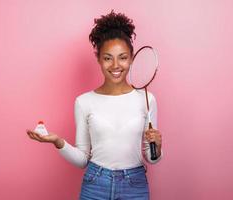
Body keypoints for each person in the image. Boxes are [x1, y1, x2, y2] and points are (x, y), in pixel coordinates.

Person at [26, 10, 163, 200]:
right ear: (98, 59)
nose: (116, 65)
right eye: (108, 58)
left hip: (135, 184)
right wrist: (58, 142)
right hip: (96, 184)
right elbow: (83, 159)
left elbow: (151, 158)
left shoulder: (147, 100)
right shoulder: (84, 102)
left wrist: (157, 146)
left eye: (122, 57)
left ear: (131, 58)